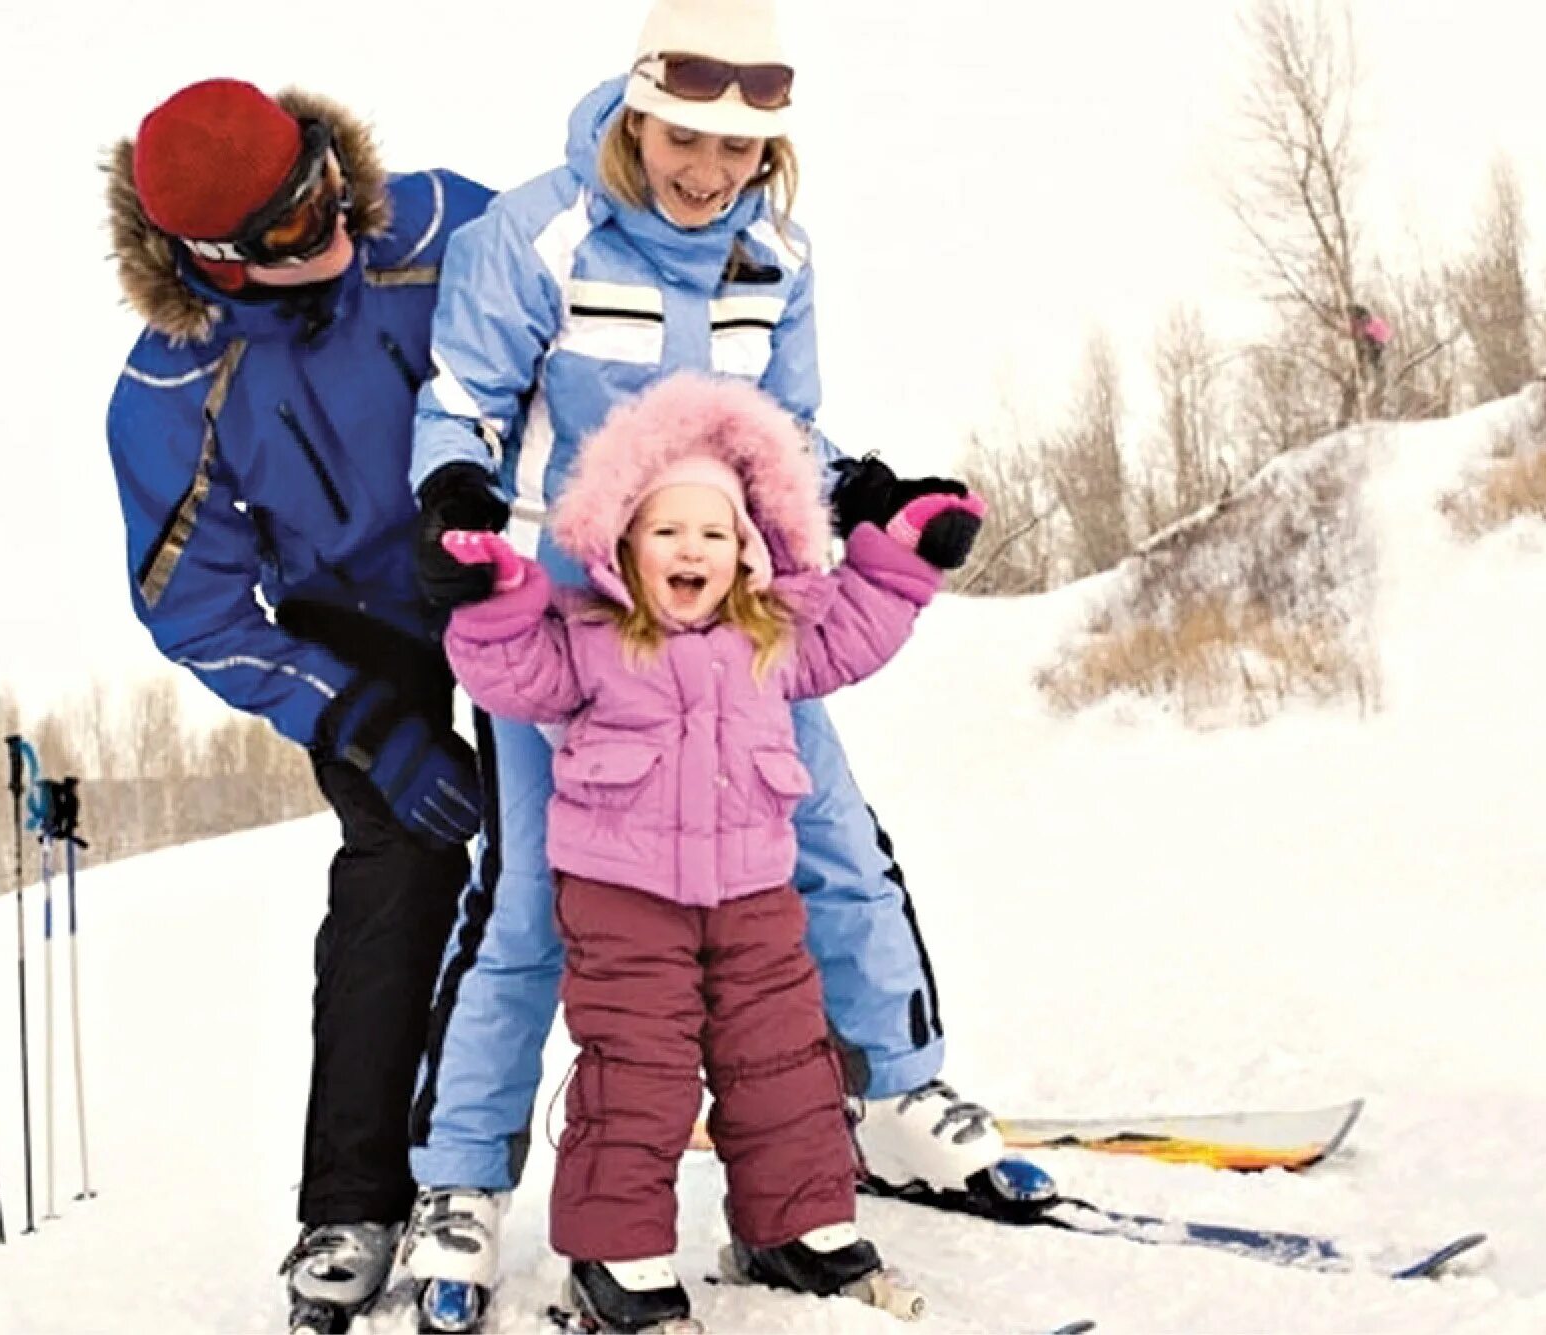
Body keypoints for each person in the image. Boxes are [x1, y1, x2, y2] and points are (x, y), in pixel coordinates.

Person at [399, 2, 1055, 1327]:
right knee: (531, 898)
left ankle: (896, 1098)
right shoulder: (531, 233)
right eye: (690, 136)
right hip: (575, 626)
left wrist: (866, 490)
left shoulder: (778, 249)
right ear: (641, 109)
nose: (711, 168)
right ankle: (462, 1186)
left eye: (743, 146)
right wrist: (455, 494)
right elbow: (462, 395)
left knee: (834, 852)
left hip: (736, 623)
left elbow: (788, 428)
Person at [437, 373, 978, 1330]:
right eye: (668, 530)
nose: (693, 548)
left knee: (785, 1062)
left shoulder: (772, 639)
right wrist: (490, 596)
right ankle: (617, 1254)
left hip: (755, 892)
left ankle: (796, 1226)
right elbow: (507, 673)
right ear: (624, 546)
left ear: (747, 554)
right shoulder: (589, 639)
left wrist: (904, 556)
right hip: (622, 898)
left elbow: (859, 628)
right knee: (637, 1070)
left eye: (716, 533)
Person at [102, 78, 495, 1333]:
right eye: (286, 229)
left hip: (503, 561)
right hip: (357, 627)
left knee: (664, 798)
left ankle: (836, 1095)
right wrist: (363, 721)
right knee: (401, 855)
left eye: (326, 188)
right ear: (208, 256)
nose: (329, 230)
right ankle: (355, 1200)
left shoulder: (436, 234)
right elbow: (198, 611)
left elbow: (601, 331)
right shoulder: (172, 390)